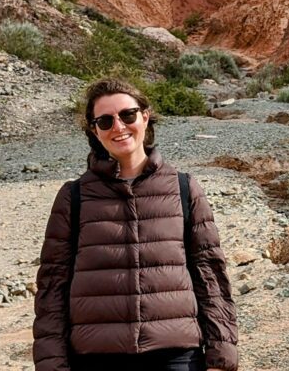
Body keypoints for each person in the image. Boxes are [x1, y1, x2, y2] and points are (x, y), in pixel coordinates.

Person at [33, 77, 238, 371]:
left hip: (176, 356)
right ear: (94, 130)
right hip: (96, 358)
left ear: (144, 116)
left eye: (127, 115)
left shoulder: (183, 188)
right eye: (105, 121)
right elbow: (52, 288)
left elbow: (210, 276)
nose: (118, 126)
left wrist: (221, 357)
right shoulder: (73, 196)